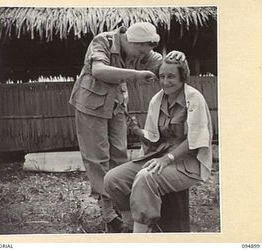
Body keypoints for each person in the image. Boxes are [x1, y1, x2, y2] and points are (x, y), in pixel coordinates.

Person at [69, 22, 185, 232]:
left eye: (146, 50)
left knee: (120, 156)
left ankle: (125, 210)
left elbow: (159, 62)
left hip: (116, 104)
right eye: (141, 49)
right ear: (132, 41)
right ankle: (108, 214)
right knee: (98, 158)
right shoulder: (102, 41)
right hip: (90, 104)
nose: (143, 55)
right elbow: (99, 70)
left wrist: (175, 57)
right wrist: (136, 74)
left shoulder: (140, 47)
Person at [104, 57, 213, 233]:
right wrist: (137, 130)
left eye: (171, 76)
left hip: (187, 162)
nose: (165, 81)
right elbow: (153, 138)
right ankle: (131, 224)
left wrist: (167, 159)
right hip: (159, 156)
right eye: (162, 76)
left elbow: (195, 140)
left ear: (182, 76)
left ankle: (140, 234)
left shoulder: (193, 98)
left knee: (146, 177)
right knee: (113, 179)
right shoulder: (157, 100)